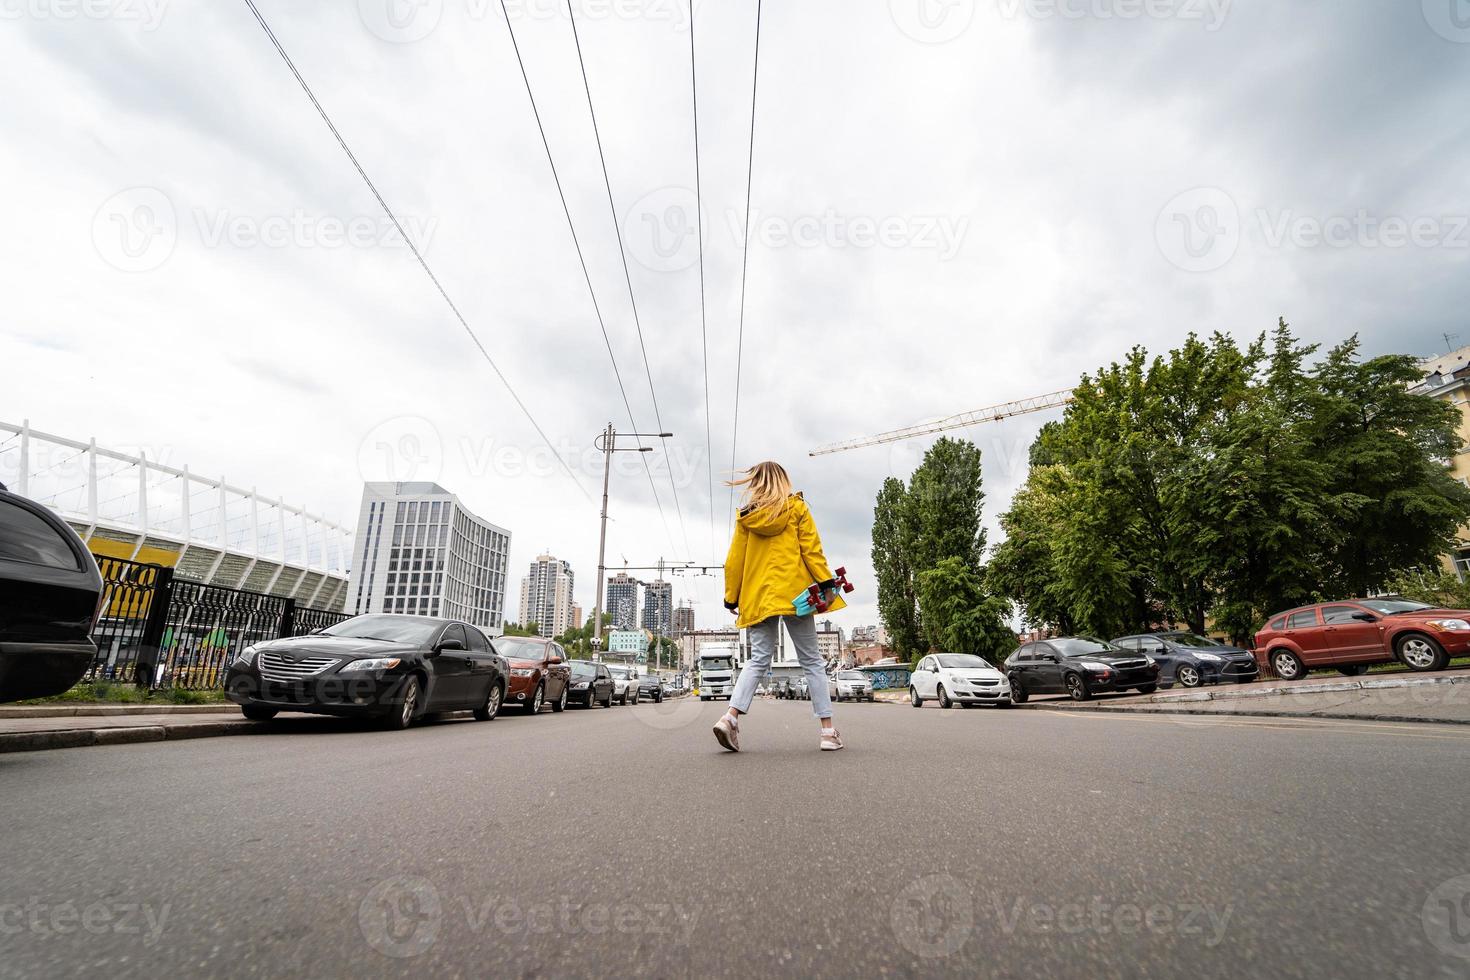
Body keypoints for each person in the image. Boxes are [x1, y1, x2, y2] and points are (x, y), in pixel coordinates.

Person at [713, 461, 847, 753]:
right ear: (784, 481)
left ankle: (730, 718)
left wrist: (731, 597)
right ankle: (827, 732)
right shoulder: (797, 508)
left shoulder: (746, 518)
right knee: (811, 660)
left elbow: (734, 560)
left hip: (759, 595)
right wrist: (826, 582)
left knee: (758, 659)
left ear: (757, 484)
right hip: (796, 595)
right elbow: (811, 550)